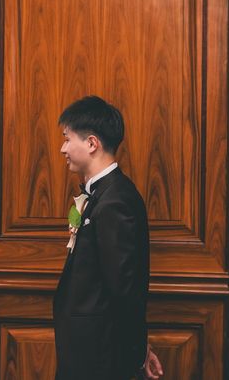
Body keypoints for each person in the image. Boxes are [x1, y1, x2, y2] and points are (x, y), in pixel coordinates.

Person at [53, 96, 164, 380]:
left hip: (99, 355)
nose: (63, 148)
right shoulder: (103, 194)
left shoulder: (115, 200)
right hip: (88, 349)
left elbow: (125, 288)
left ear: (92, 143)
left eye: (67, 139)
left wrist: (137, 351)